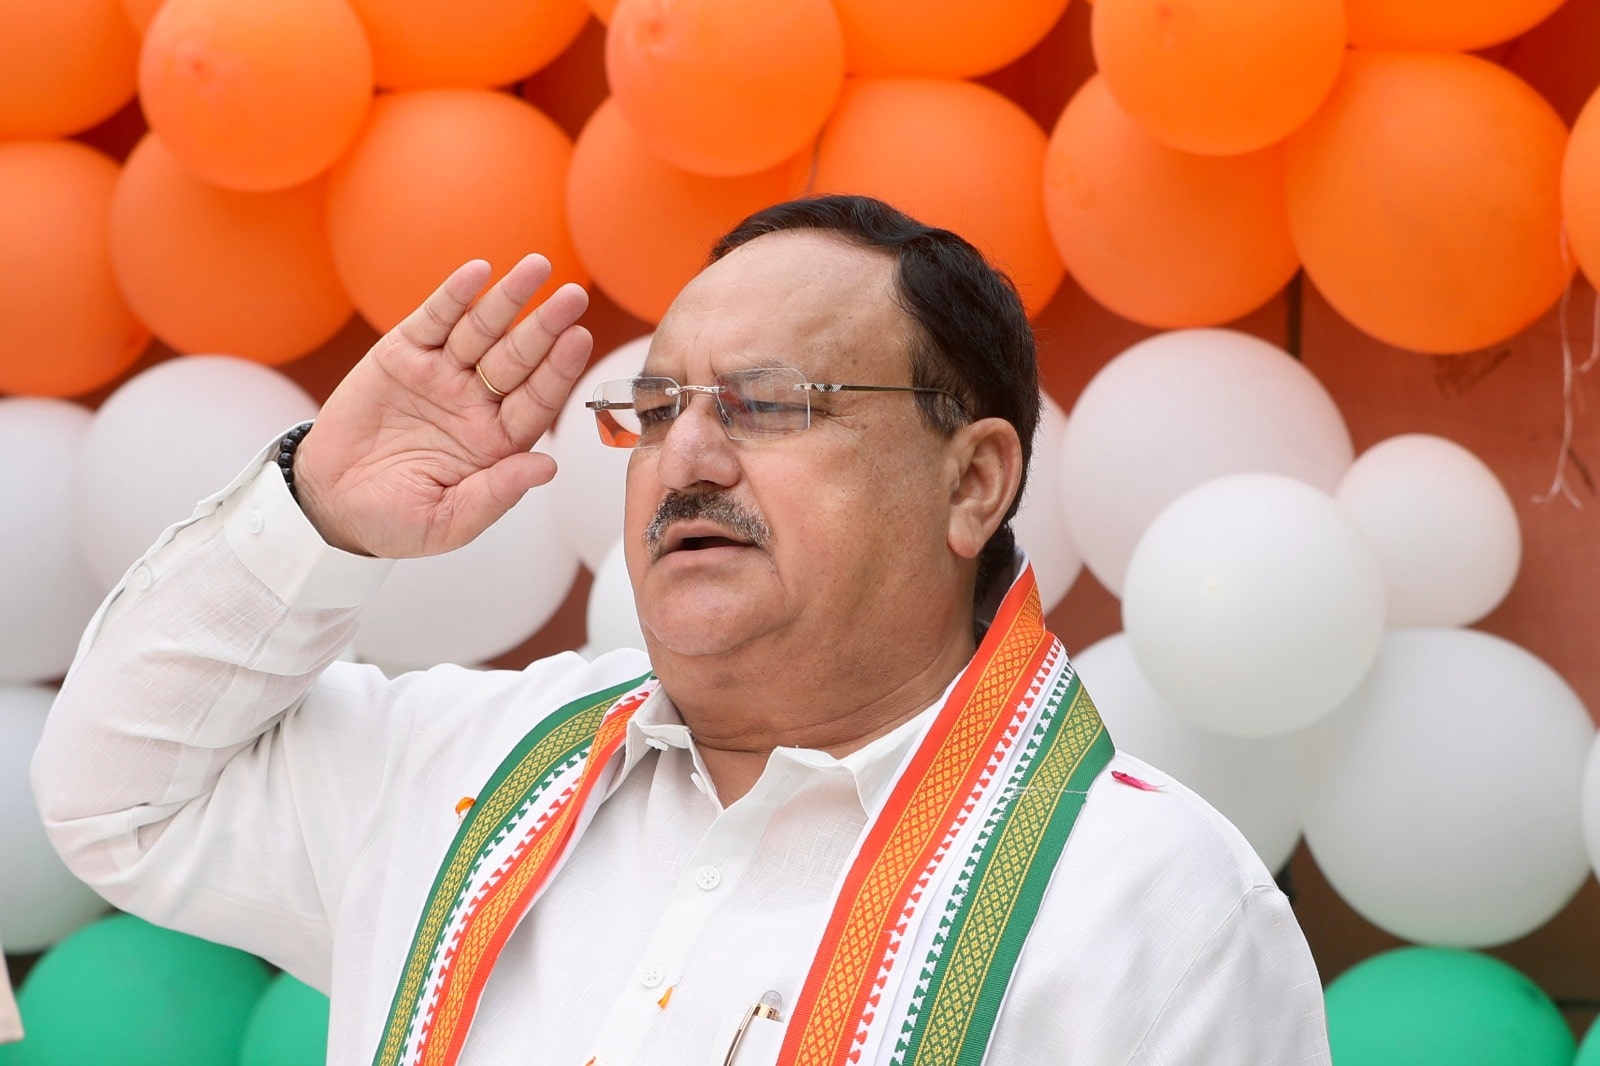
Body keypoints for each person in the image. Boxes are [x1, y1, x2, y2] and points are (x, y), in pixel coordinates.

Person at [33, 195, 1330, 1064]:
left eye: (770, 404)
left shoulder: (1147, 896)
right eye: (653, 410)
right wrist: (317, 511)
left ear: (972, 480)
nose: (688, 455)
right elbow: (120, 799)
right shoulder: (464, 759)